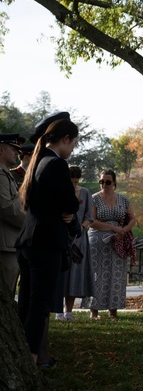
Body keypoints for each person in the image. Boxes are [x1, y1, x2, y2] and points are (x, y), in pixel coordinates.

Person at [15, 112, 79, 363]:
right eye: (73, 143)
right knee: (39, 305)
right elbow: (70, 203)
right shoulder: (55, 164)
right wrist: (70, 207)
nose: (73, 149)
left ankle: (22, 355)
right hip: (46, 243)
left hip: (28, 241)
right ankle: (30, 359)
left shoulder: (37, 162)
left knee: (27, 303)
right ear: (65, 139)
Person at [87, 169, 137, 319]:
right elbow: (91, 222)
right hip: (98, 242)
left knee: (116, 275)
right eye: (101, 181)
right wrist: (112, 227)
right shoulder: (94, 199)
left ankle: (113, 310)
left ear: (114, 182)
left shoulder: (123, 200)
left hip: (118, 241)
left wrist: (123, 230)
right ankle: (94, 310)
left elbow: (133, 219)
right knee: (97, 275)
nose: (104, 184)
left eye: (107, 182)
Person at [60, 164, 94, 320]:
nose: (73, 185)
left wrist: (81, 228)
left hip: (79, 240)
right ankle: (58, 310)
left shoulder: (86, 193)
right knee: (61, 273)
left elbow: (89, 217)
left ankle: (69, 311)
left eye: (75, 182)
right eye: (70, 181)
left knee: (75, 274)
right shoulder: (60, 192)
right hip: (61, 238)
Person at [0, 133, 27, 295]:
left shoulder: (5, 173)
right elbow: (5, 208)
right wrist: (29, 223)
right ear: (1, 150)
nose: (17, 153)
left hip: (9, 242)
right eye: (13, 149)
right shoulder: (1, 175)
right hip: (4, 245)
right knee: (5, 296)